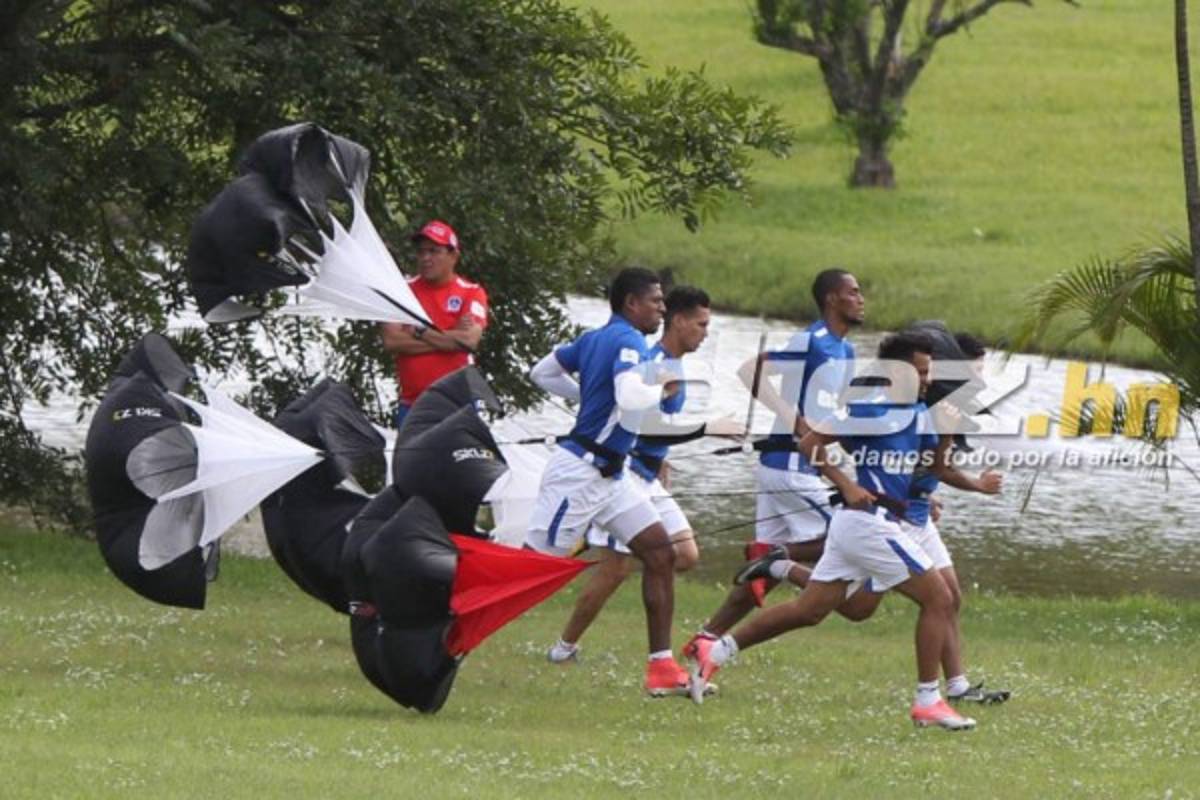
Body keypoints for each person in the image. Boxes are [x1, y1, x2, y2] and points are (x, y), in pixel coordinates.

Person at [688, 331, 980, 731]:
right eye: (921, 371)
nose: (927, 380)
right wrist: (845, 483)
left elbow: (934, 466)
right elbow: (810, 443)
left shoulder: (918, 413)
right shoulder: (868, 410)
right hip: (866, 525)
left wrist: (944, 434)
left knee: (810, 611)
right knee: (940, 599)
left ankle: (716, 651)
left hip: (865, 526)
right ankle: (928, 699)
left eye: (929, 372)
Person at [525, 268, 737, 697]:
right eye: (656, 301)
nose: (662, 306)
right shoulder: (628, 341)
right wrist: (692, 417)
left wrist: (591, 396)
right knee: (530, 569)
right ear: (631, 304)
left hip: (612, 476)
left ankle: (661, 668)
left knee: (660, 553)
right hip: (581, 473)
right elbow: (629, 399)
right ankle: (448, 617)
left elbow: (542, 374)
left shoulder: (595, 338)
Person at [682, 269, 863, 659]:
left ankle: (706, 639)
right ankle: (775, 556)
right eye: (853, 292)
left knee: (759, 578)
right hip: (789, 467)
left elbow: (832, 415)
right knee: (842, 536)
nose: (861, 298)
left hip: (800, 466)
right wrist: (793, 419)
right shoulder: (810, 341)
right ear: (832, 299)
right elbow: (751, 371)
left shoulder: (846, 351)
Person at [379, 220, 488, 427]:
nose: (426, 258)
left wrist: (420, 331)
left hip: (458, 403)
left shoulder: (471, 292)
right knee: (412, 459)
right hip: (413, 404)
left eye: (434, 251)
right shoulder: (400, 291)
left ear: (453, 255)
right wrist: (451, 337)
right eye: (421, 252)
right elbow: (392, 341)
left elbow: (470, 340)